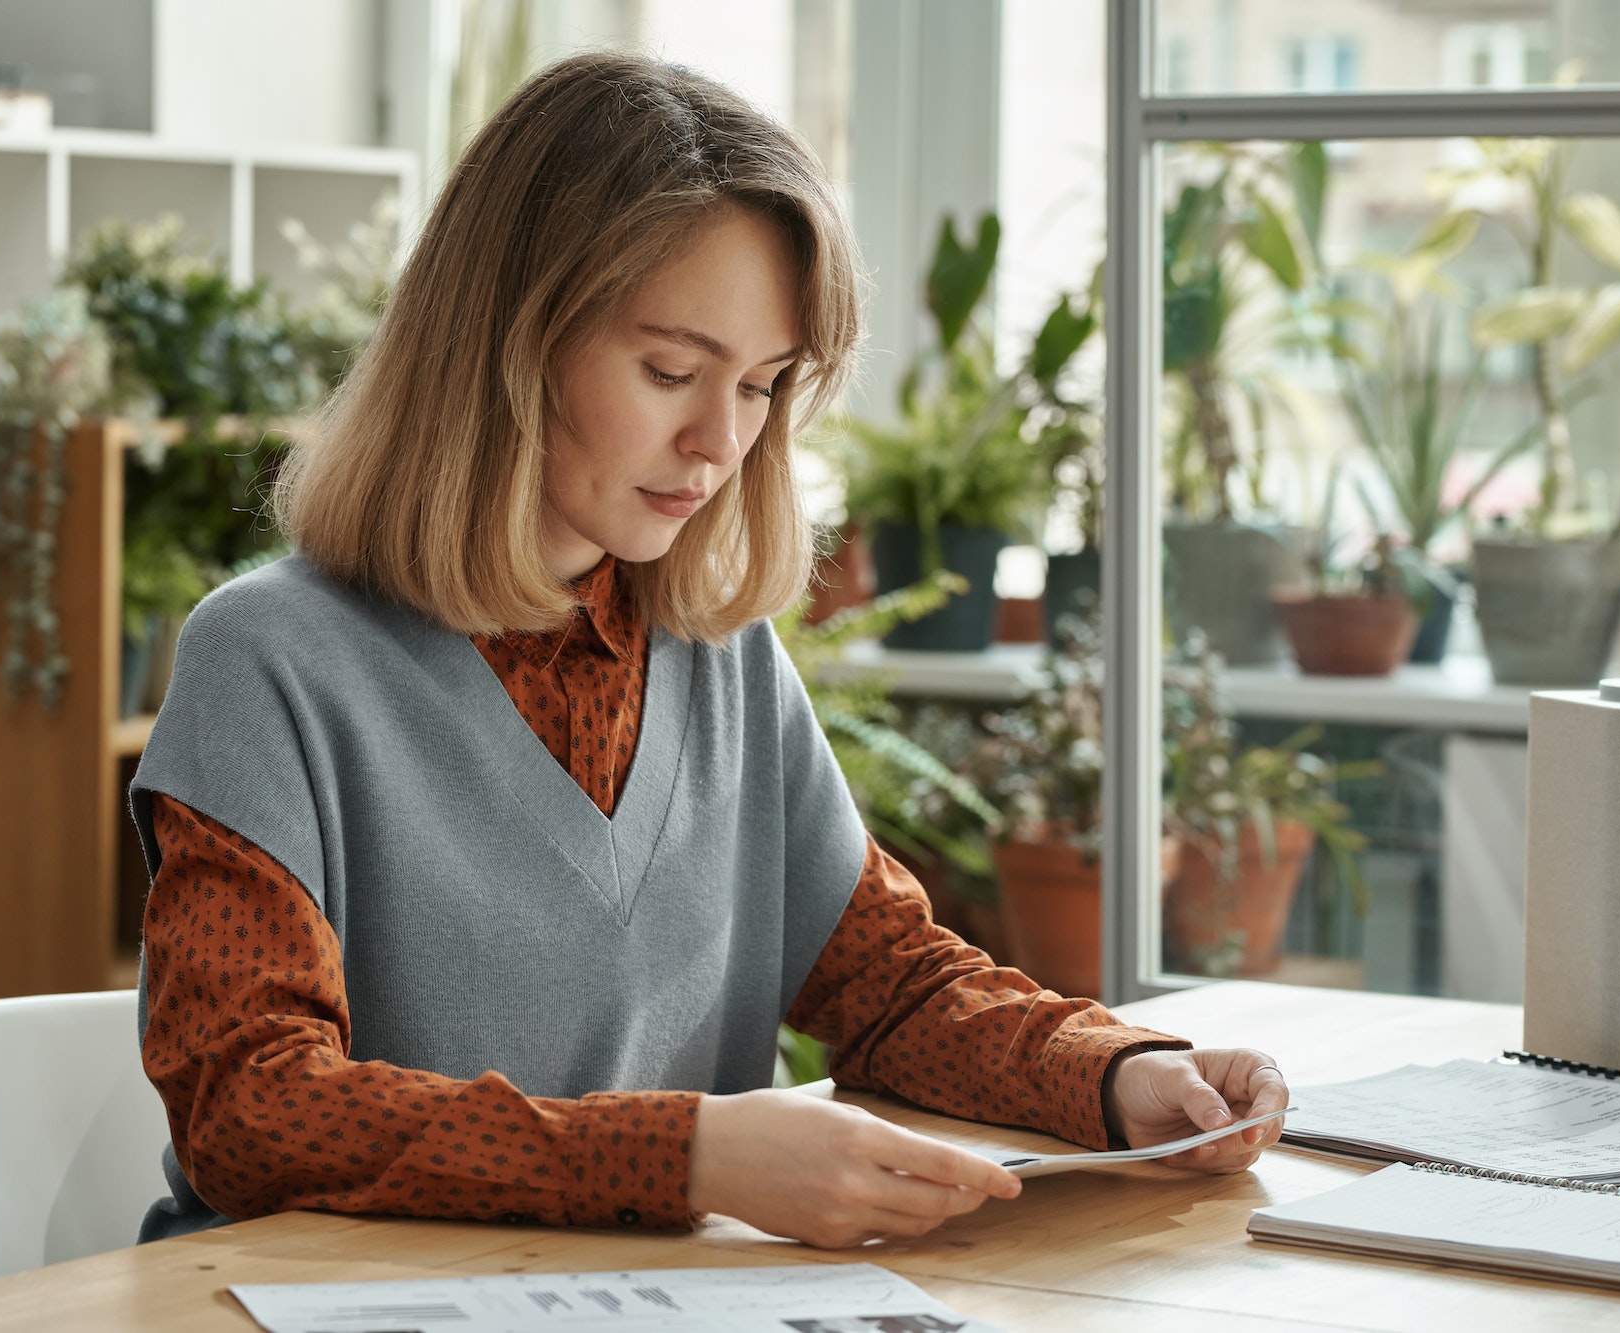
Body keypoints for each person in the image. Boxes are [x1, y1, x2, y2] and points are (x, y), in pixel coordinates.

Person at [130, 50, 1288, 1251]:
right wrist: (687, 1158)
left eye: (761, 386)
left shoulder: (717, 654)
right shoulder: (269, 659)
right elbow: (251, 1109)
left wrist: (1116, 1077)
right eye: (671, 370)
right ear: (505, 341)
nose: (716, 439)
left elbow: (893, 990)